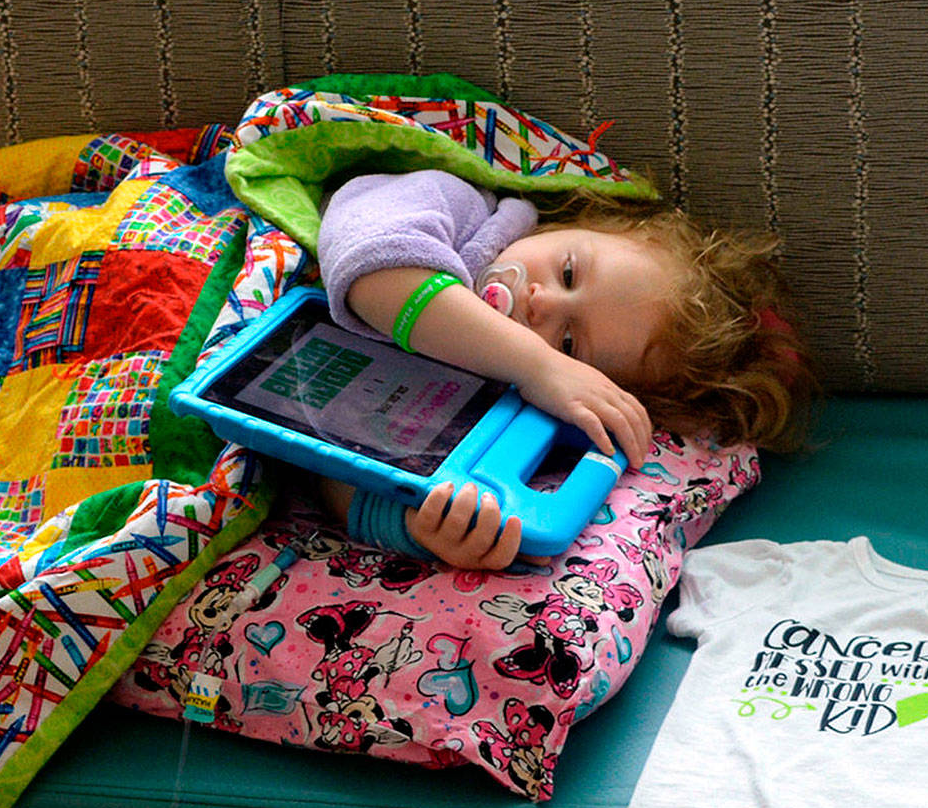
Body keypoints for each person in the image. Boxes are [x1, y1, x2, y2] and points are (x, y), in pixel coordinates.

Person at [312, 168, 815, 571]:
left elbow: (320, 457)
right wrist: (539, 362)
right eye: (569, 271)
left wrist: (414, 524)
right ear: (578, 222)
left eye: (570, 343)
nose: (543, 303)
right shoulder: (455, 206)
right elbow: (371, 274)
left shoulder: (486, 405)